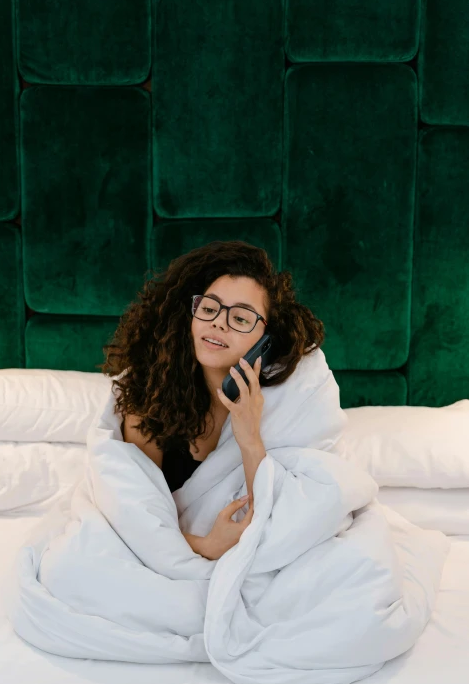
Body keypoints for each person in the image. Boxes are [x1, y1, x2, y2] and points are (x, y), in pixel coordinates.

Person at [98, 240, 325, 560]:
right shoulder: (148, 399)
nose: (218, 321)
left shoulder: (281, 406)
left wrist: (249, 440)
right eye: (209, 308)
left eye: (241, 318)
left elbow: (285, 524)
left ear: (266, 340)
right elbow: (132, 523)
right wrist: (203, 545)